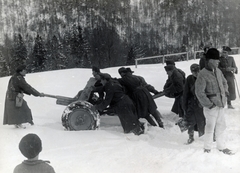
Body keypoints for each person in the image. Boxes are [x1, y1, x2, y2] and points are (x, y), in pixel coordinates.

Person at [195, 48, 233, 155]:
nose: (218, 62)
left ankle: (222, 147)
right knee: (210, 127)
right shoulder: (202, 74)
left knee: (221, 126)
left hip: (220, 104)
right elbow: (199, 92)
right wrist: (209, 104)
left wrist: (225, 93)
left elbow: (225, 83)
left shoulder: (218, 71)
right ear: (210, 60)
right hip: (211, 107)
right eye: (216, 60)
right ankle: (207, 148)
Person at [182, 64, 205, 144]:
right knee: (190, 121)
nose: (196, 73)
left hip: (202, 104)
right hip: (192, 104)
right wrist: (184, 105)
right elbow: (186, 93)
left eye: (197, 71)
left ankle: (207, 136)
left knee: (203, 121)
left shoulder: (204, 77)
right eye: (193, 72)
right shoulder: (189, 79)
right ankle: (191, 137)